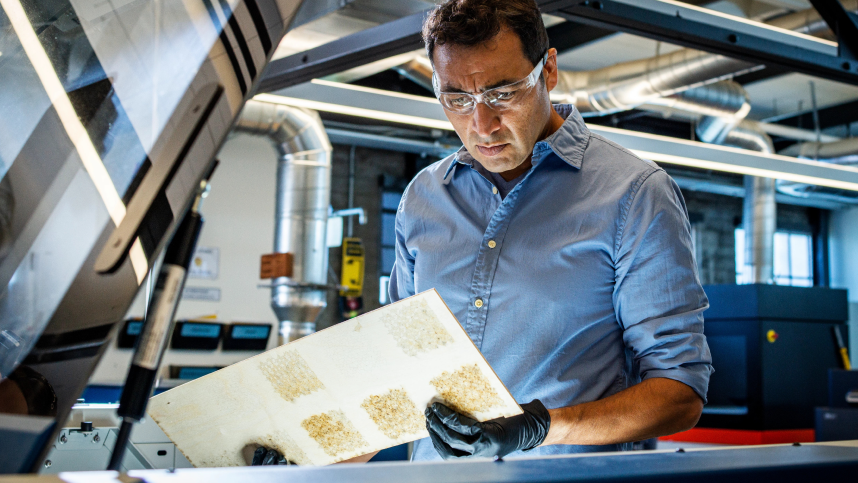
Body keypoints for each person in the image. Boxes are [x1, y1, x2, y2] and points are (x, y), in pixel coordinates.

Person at [252, 0, 712, 466]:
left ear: (548, 70)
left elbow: (679, 393)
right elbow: (400, 374)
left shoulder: (633, 195)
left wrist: (539, 428)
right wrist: (309, 456)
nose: (482, 125)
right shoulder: (424, 198)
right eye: (457, 99)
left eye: (502, 93)